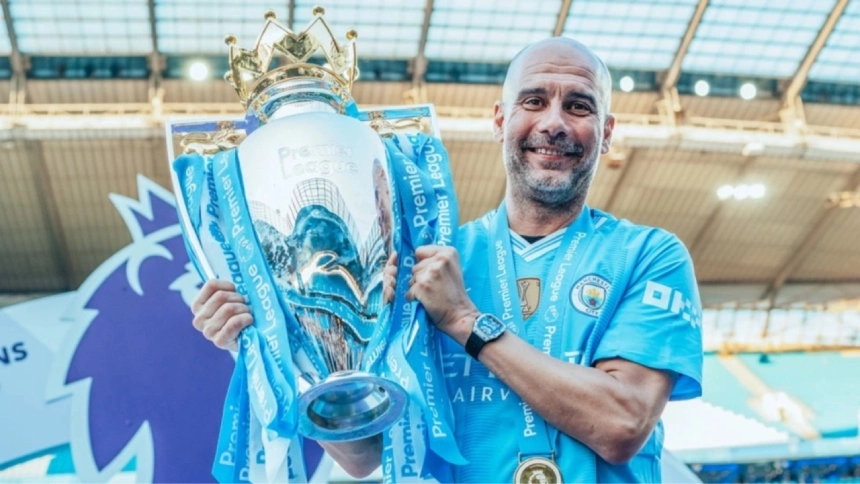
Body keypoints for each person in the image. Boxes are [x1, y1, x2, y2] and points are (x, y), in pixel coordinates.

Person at [192, 37, 703, 482]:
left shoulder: (648, 255)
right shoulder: (423, 261)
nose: (554, 122)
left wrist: (463, 320)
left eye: (579, 106)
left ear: (607, 131)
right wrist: (262, 345)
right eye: (533, 100)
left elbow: (622, 425)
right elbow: (363, 454)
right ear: (501, 121)